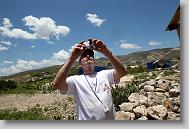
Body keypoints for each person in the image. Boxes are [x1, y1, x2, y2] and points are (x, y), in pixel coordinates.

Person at [52, 38, 127, 120]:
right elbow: (57, 84)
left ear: (94, 61)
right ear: (80, 63)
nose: (88, 56)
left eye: (91, 55)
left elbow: (123, 72)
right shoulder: (75, 80)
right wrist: (71, 59)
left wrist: (107, 52)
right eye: (84, 56)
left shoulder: (104, 74)